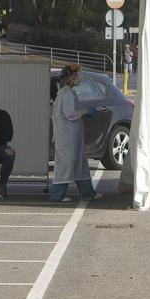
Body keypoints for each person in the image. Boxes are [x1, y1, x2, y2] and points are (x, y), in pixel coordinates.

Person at [51, 64, 101, 202]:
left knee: (79, 165)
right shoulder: (66, 93)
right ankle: (57, 194)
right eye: (76, 75)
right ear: (70, 78)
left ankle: (87, 192)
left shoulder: (67, 92)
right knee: (66, 166)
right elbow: (70, 114)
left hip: (72, 138)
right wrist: (85, 112)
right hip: (68, 138)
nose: (78, 78)